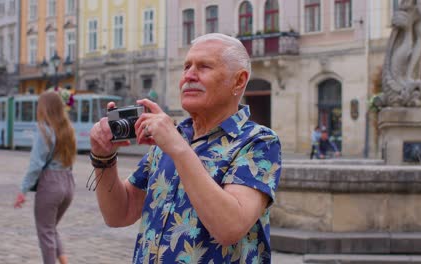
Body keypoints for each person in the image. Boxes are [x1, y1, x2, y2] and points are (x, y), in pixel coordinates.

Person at [89, 33, 281, 263]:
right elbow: (119, 214)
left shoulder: (259, 141)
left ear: (239, 81)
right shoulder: (173, 137)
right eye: (186, 66)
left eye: (204, 67)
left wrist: (178, 149)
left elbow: (229, 227)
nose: (189, 75)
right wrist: (104, 158)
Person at [14, 90, 77, 264]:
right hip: (68, 183)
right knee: (50, 228)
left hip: (51, 184)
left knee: (46, 232)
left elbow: (35, 165)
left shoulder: (45, 131)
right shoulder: (68, 130)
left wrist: (23, 190)